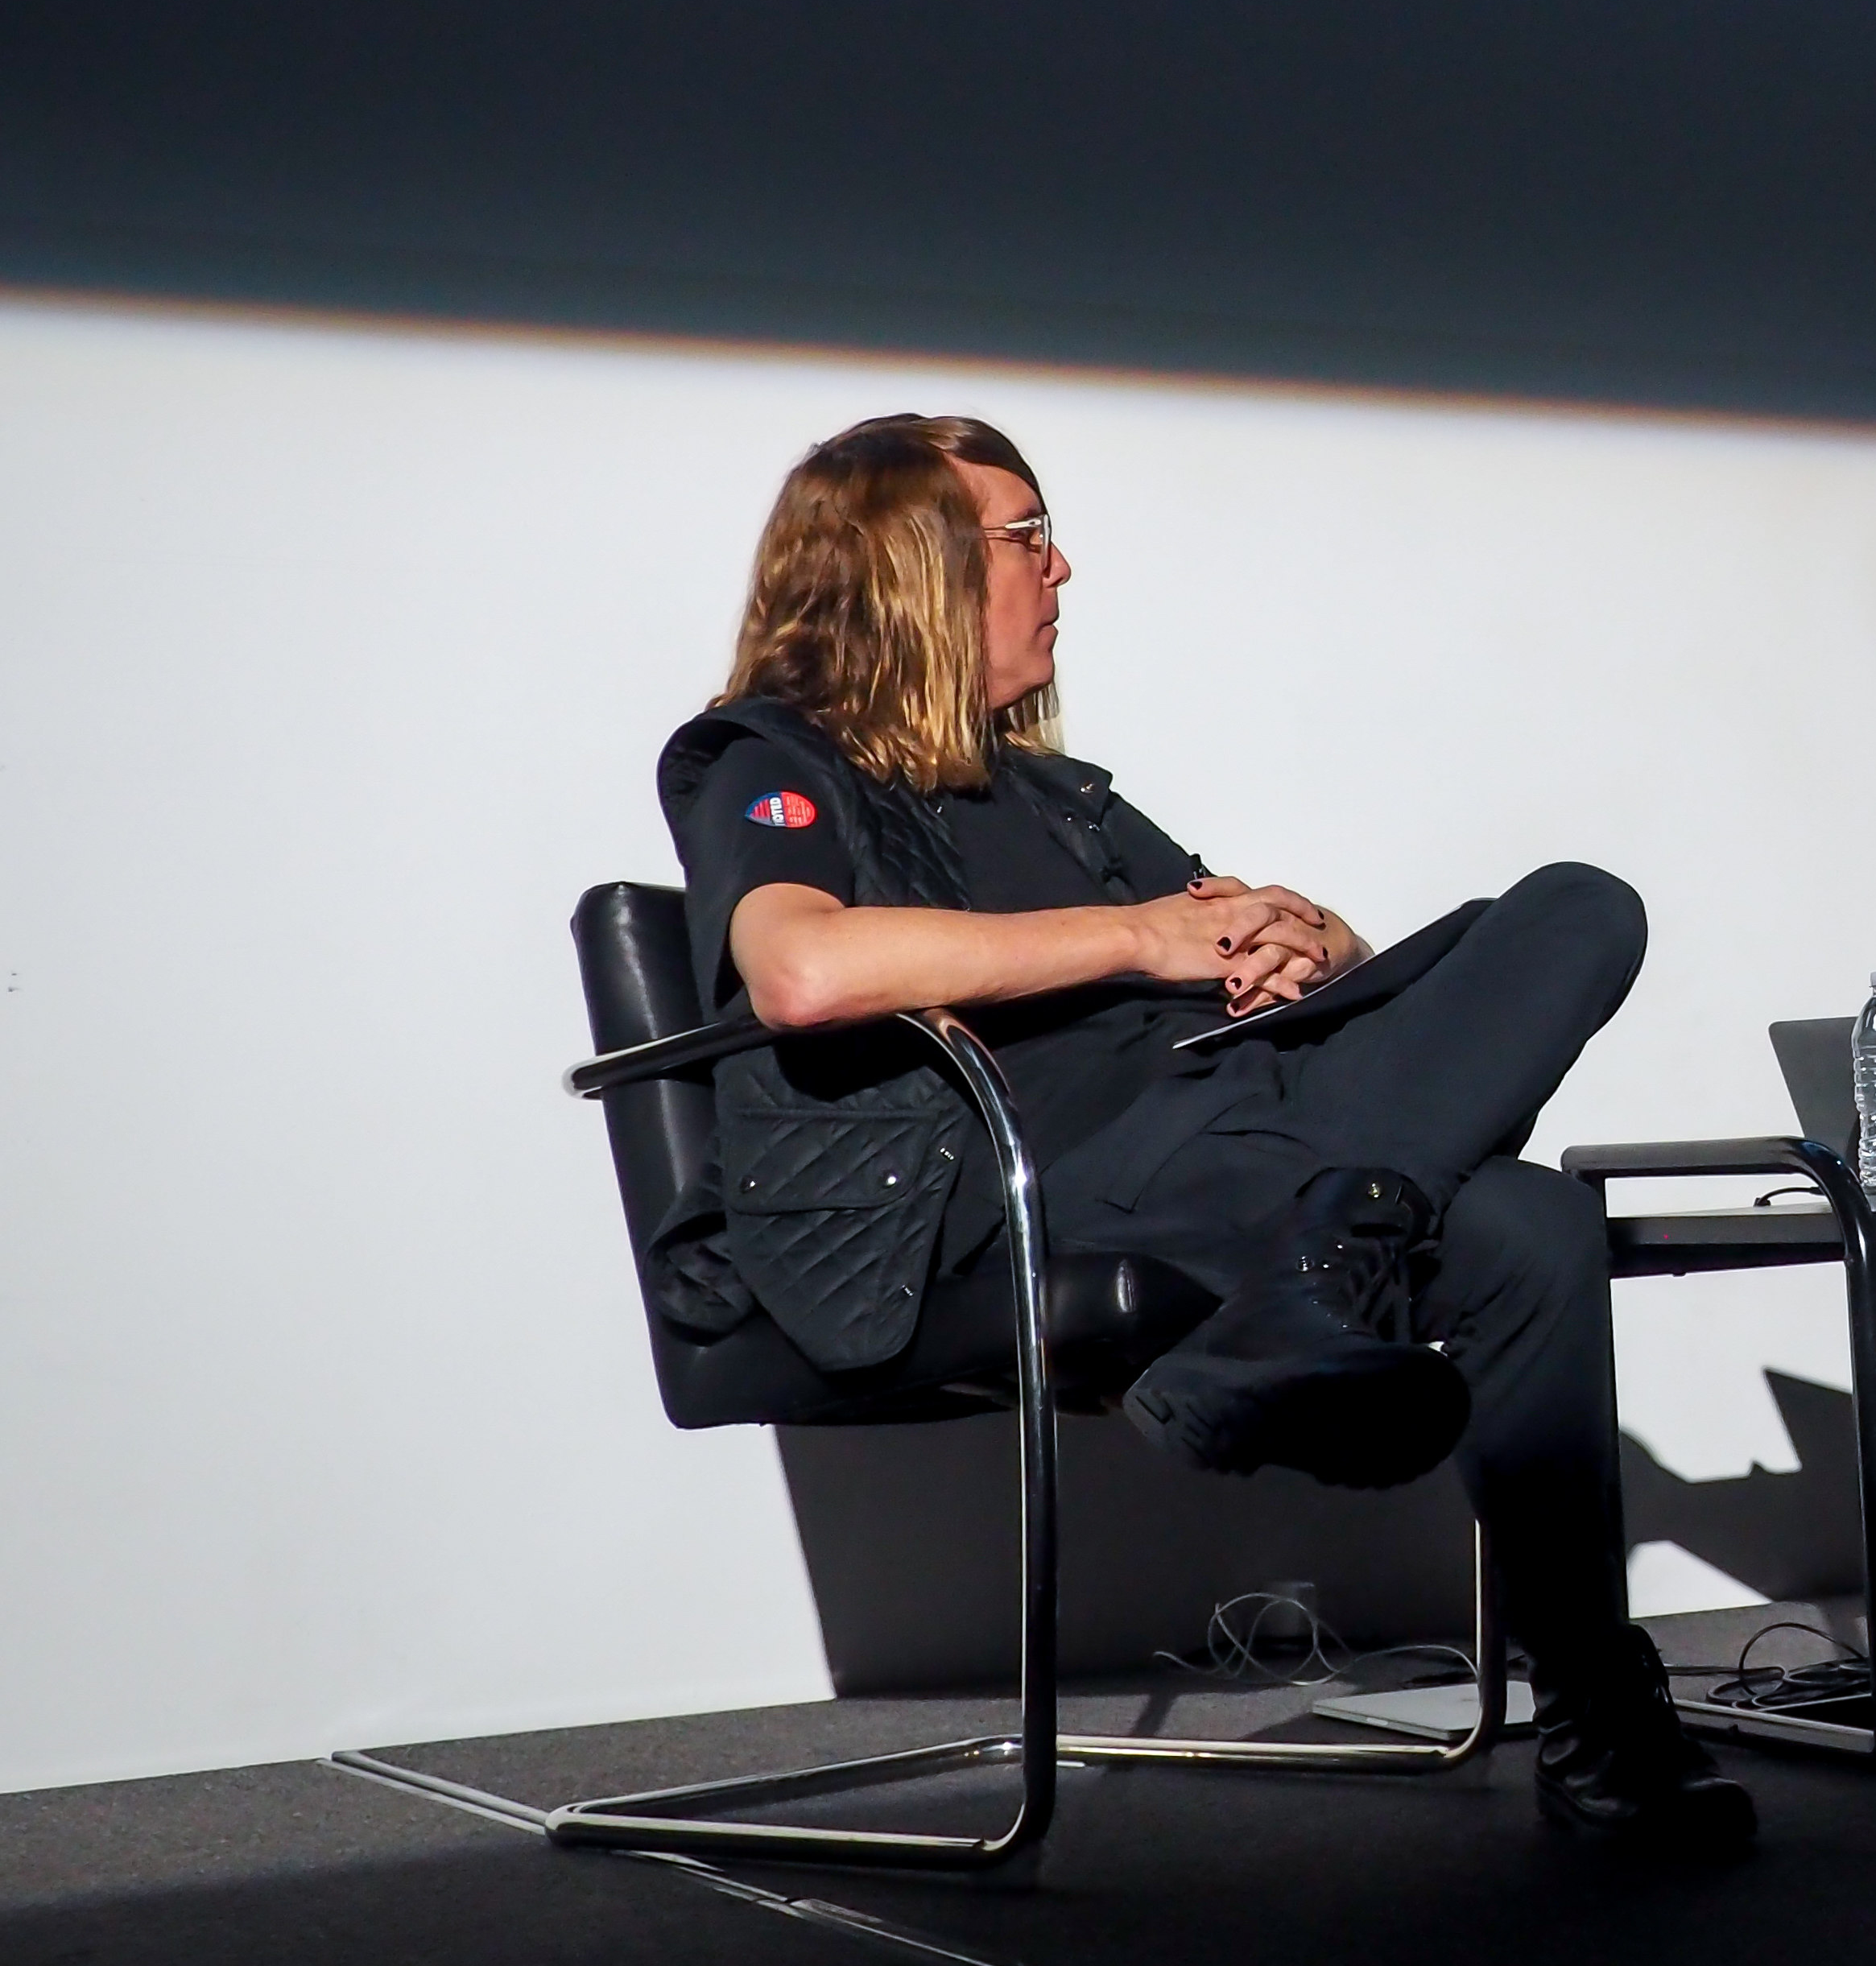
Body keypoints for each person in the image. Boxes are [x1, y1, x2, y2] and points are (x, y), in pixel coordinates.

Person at [657, 412, 1751, 1846]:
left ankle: (1307, 1290)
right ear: (912, 567)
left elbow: (1229, 928)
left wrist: (1308, 944)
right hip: (1059, 1177)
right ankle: (1602, 1706)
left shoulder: (1057, 796)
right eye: (1029, 535)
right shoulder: (776, 759)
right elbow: (803, 971)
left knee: (1572, 910)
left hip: (1251, 1130)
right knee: (1523, 1225)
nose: (1065, 568)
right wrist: (1140, 939)